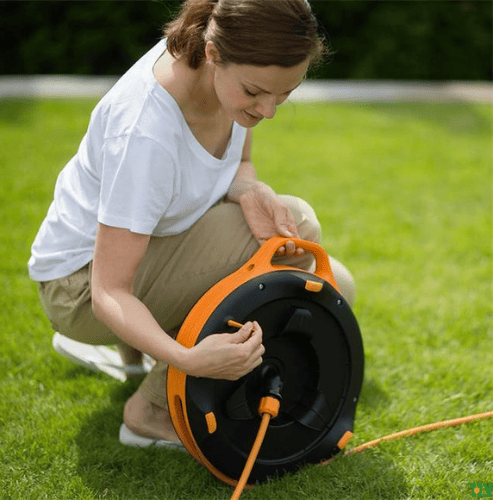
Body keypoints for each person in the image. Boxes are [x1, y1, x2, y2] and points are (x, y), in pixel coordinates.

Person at [28, 0, 355, 448]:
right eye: (257, 92)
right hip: (81, 289)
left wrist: (249, 190)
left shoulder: (220, 76)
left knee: (338, 286)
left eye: (284, 94)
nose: (270, 110)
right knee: (298, 226)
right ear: (215, 53)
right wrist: (189, 359)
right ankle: (149, 411)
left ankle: (139, 352)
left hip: (146, 254)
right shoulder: (145, 130)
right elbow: (110, 292)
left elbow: (240, 163)